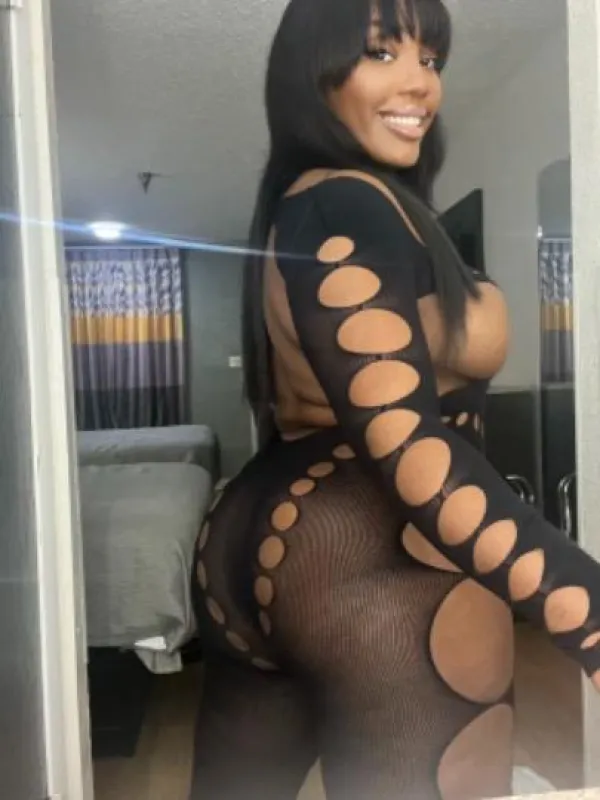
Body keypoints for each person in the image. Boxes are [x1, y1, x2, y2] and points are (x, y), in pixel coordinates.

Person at [190, 0, 600, 797]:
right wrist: (585, 607)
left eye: (431, 60)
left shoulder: (306, 204)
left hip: (253, 536)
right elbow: (412, 448)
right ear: (314, 76)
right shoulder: (343, 200)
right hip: (376, 546)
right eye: (381, 52)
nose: (420, 84)